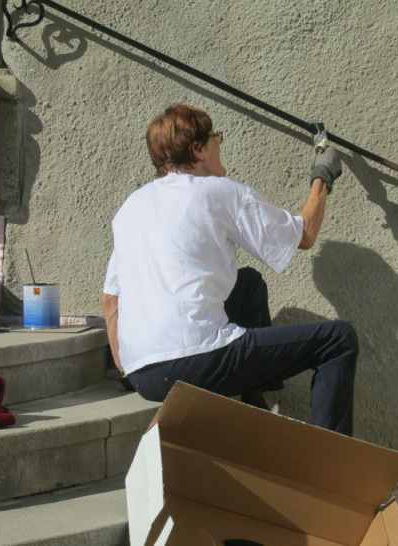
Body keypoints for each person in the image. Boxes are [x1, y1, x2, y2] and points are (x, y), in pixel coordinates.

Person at [101, 104, 358, 436]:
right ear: (198, 149)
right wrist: (322, 176)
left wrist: (128, 365)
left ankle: (254, 402)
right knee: (338, 340)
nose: (219, 143)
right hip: (197, 360)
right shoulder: (219, 192)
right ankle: (330, 459)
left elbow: (110, 300)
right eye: (216, 138)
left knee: (248, 283)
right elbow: (304, 234)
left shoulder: (132, 207)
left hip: (141, 373)